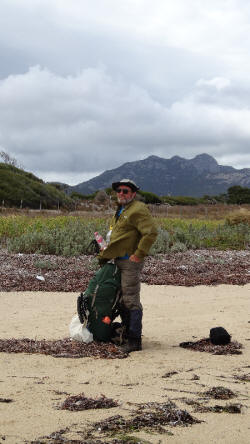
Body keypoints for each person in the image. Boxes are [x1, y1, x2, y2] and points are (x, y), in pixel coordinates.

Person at [98, 178, 158, 352]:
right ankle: (125, 334)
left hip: (129, 262)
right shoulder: (122, 209)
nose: (121, 194)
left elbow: (151, 232)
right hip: (118, 260)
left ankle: (134, 341)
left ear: (133, 193)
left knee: (131, 300)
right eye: (119, 191)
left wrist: (138, 255)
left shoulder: (138, 209)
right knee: (122, 299)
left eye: (125, 191)